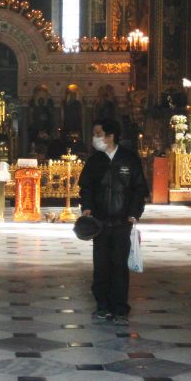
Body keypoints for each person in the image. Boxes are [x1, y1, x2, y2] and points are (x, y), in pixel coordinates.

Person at [79, 118, 149, 325]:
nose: (95, 138)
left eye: (98, 134)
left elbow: (139, 189)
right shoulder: (95, 160)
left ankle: (120, 309)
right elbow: (86, 188)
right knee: (101, 266)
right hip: (99, 222)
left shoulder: (129, 159)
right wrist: (87, 208)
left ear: (111, 136)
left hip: (121, 222)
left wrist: (134, 213)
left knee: (119, 266)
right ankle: (102, 306)